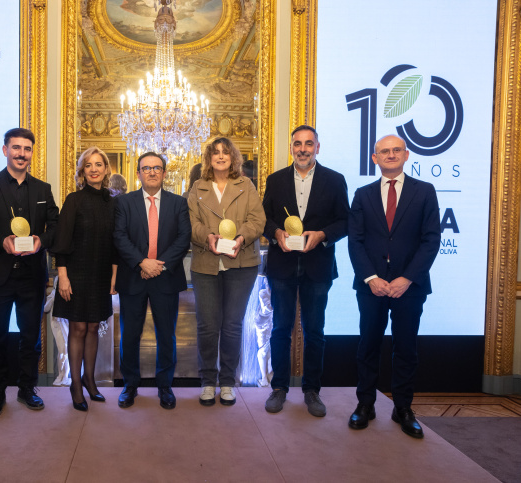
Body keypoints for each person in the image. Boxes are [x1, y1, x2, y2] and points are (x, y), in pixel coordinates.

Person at [347, 134, 440, 439]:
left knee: (406, 349)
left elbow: (431, 240)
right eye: (384, 151)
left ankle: (403, 408)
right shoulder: (362, 195)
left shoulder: (425, 192)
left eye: (395, 150)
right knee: (368, 346)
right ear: (374, 158)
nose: (390, 155)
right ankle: (365, 404)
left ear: (406, 154)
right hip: (371, 287)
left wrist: (407, 278)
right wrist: (371, 278)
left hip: (409, 287)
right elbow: (356, 241)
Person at [261, 125, 349, 417]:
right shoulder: (275, 181)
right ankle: (280, 388)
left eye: (308, 143)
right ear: (291, 148)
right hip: (282, 266)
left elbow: (344, 222)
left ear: (317, 148)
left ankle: (312, 390)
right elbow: (264, 219)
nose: (302, 148)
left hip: (318, 266)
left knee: (315, 332)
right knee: (280, 329)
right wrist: (276, 233)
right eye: (297, 143)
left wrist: (322, 235)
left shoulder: (335, 181)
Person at [0, 128, 58, 418]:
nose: (22, 153)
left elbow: (55, 227)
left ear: (32, 152)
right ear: (5, 150)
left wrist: (40, 241)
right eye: (16, 148)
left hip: (32, 276)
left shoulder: (43, 190)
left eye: (27, 149)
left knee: (30, 337)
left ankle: (27, 389)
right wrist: (1, 241)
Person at [186, 137, 265, 406]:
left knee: (232, 326)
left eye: (226, 152)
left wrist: (241, 237)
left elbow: (258, 220)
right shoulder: (198, 186)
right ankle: (208, 381)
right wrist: (207, 236)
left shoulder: (246, 185)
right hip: (206, 264)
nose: (220, 156)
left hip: (242, 263)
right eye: (215, 152)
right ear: (208, 158)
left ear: (233, 158)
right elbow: (192, 223)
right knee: (207, 327)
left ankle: (228, 382)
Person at [114, 151, 191, 409]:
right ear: (138, 173)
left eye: (157, 168)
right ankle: (130, 385)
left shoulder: (178, 203)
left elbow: (183, 239)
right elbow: (120, 237)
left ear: (164, 173)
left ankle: (165, 386)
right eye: (146, 168)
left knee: (166, 335)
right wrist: (141, 262)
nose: (152, 172)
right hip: (133, 277)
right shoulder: (124, 203)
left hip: (165, 278)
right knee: (130, 335)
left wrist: (159, 266)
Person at [52, 147, 117, 411]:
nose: (94, 169)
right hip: (75, 274)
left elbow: (116, 244)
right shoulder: (73, 200)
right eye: (88, 165)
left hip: (101, 274)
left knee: (93, 328)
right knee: (78, 328)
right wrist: (63, 278)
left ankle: (91, 381)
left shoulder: (114, 203)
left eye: (98, 164)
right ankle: (75, 383)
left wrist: (114, 277)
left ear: (105, 169)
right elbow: (61, 243)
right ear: (82, 171)